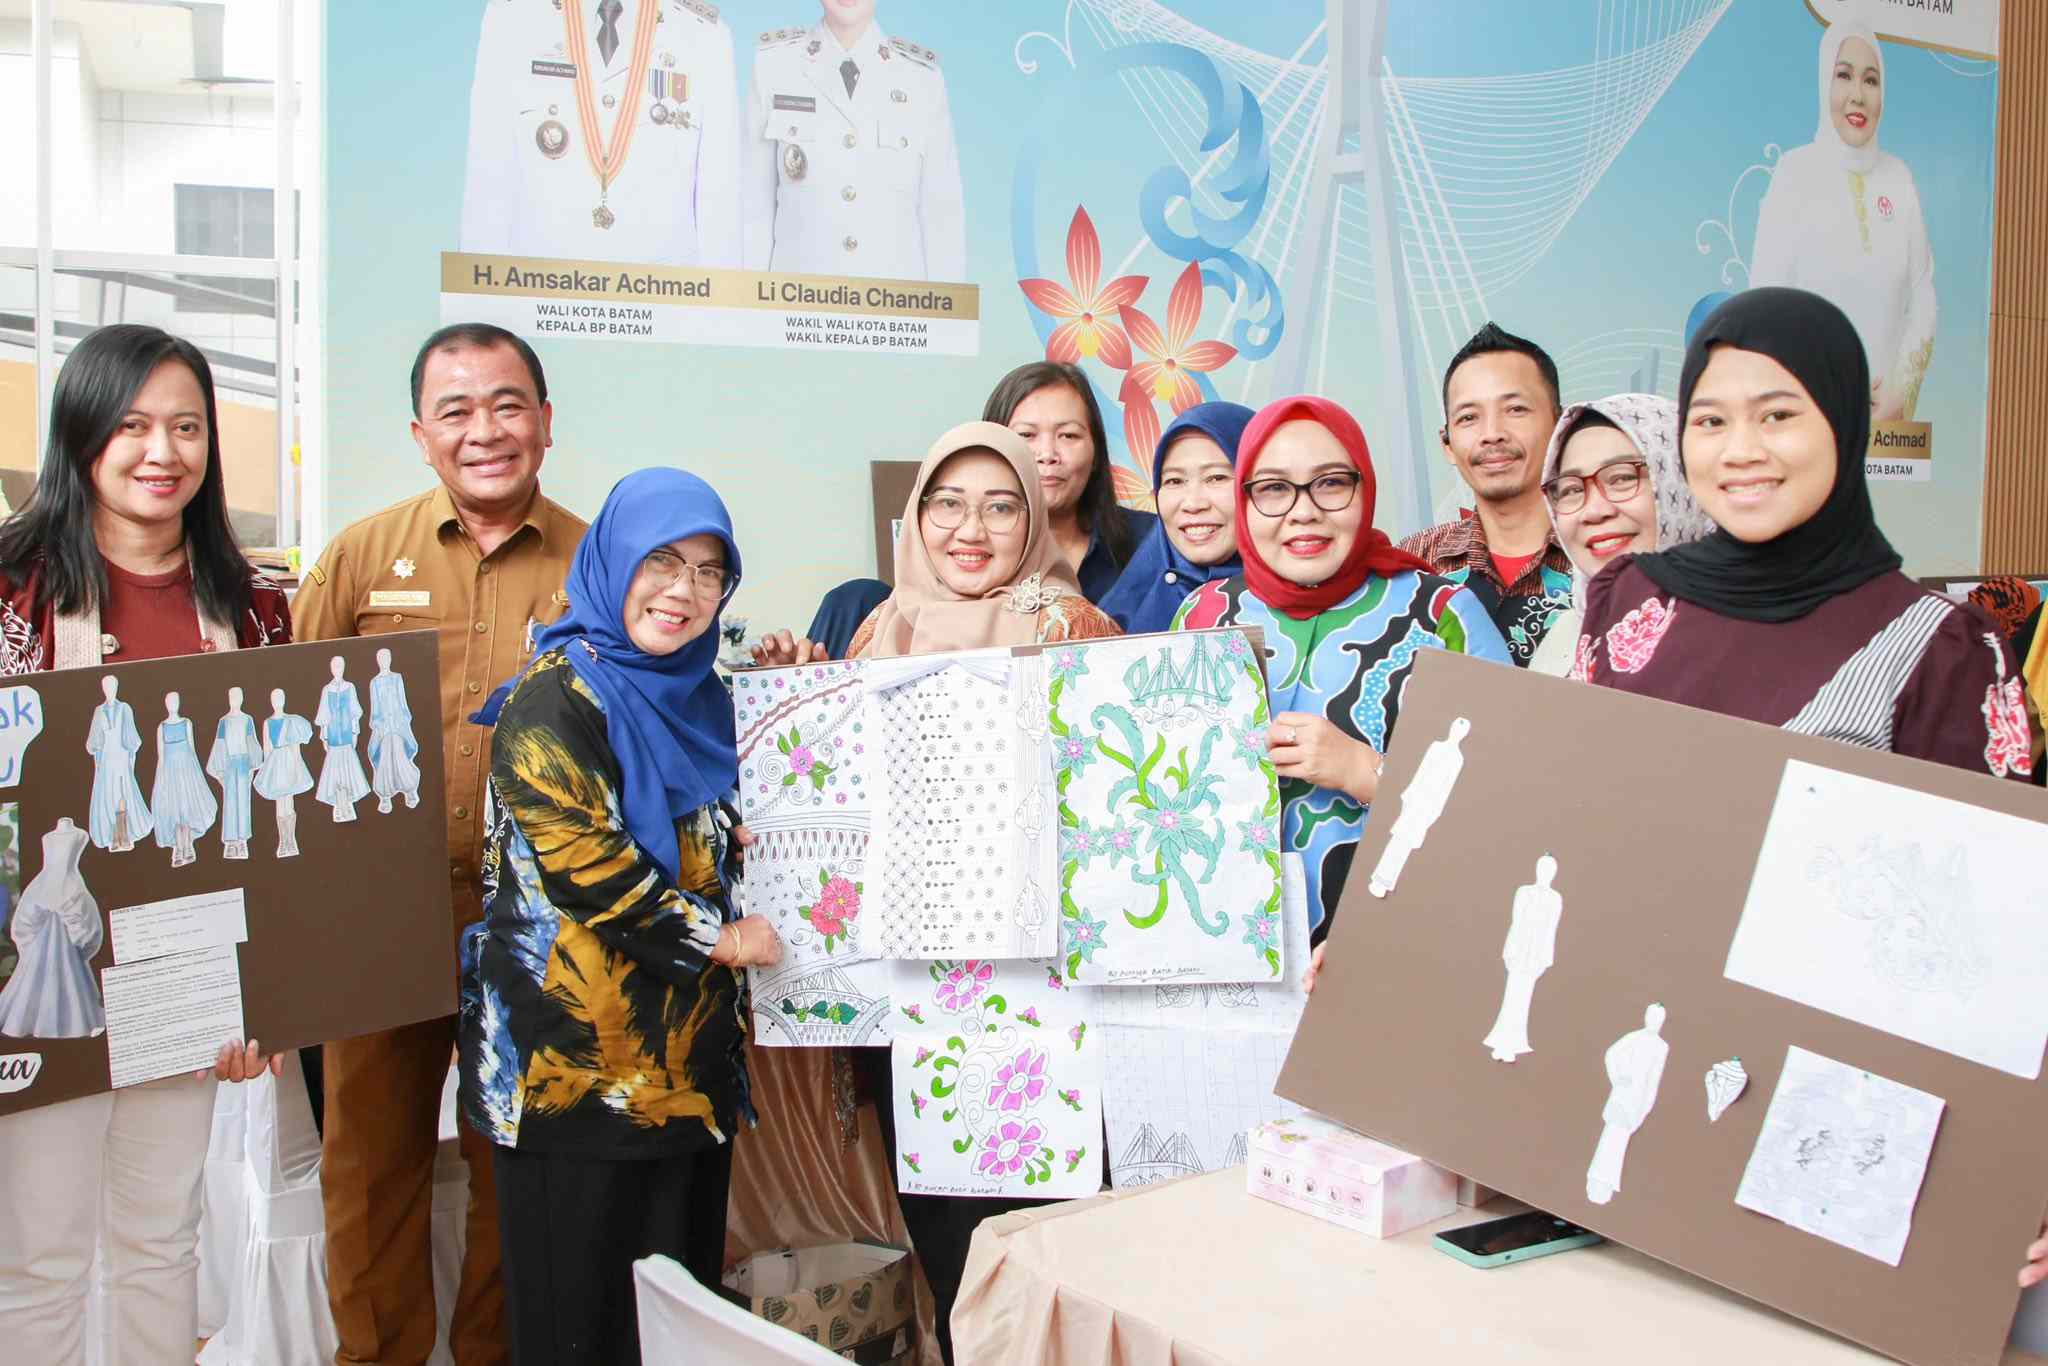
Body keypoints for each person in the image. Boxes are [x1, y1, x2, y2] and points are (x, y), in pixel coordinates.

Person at [294, 322, 587, 1366]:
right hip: (379, 917)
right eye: (455, 410)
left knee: (517, 1160)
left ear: (544, 422)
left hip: (535, 923)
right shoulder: (359, 558)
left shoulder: (599, 562)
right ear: (420, 434)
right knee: (368, 1168)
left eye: (506, 405)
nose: (484, 431)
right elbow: (292, 726)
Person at [0, 322, 288, 1366]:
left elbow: (280, 832)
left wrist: (276, 996)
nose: (162, 451)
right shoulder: (12, 590)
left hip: (188, 971)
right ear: (81, 435)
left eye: (186, 427)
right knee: (37, 1257)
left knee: (162, 1239)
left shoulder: (255, 607)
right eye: (131, 426)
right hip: (45, 978)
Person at [463, 467, 781, 1365]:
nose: (684, 591)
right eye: (662, 562)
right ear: (614, 561)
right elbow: (589, 868)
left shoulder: (700, 698)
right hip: (575, 1084)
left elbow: (711, 833)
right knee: (582, 1334)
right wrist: (722, 936)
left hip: (687, 1076)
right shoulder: (554, 698)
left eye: (710, 572)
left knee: (675, 1336)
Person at [1578, 286, 2028, 774]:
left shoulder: (1941, 648)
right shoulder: (1629, 593)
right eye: (1711, 420)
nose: (1740, 451)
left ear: (1844, 421)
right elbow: (1574, 783)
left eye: (1777, 415)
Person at [1171, 395, 1510, 951]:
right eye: (1273, 489)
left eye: (1330, 483)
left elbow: (1514, 808)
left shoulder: (1442, 616)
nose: (1304, 511)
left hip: (1390, 955)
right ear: (1245, 501)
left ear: (1364, 487)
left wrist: (1364, 770)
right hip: (1219, 955)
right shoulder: (1202, 616)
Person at [459, 0, 742, 267]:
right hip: (538, 286)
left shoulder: (704, 35)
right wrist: (477, 296)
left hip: (664, 291)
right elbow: (488, 182)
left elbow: (719, 201)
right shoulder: (512, 19)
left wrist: (724, 301)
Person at [1750, 15, 1934, 421]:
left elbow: (1923, 295)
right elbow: (1766, 306)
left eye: (1871, 80)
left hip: (1887, 423)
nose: (1858, 96)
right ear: (1824, 83)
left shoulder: (1899, 178)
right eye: (1844, 75)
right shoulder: (1795, 173)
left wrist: (1900, 391)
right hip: (1810, 410)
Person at [743, 0, 964, 280]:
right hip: (796, 299)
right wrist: (746, 303)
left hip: (894, 301)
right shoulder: (774, 66)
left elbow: (941, 218)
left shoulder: (922, 79)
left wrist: (947, 307)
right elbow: (752, 208)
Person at [1399, 323, 1575, 667]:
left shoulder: (1602, 554)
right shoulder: (1413, 563)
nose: (1492, 434)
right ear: (1447, 444)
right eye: (1469, 417)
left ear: (1560, 426)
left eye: (1516, 409)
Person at [1526, 394, 1717, 677]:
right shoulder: (1564, 640)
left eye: (1622, 478)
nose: (1594, 511)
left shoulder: (1742, 633)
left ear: (1681, 483)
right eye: (1571, 490)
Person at [985, 361, 1157, 603]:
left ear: (1096, 452)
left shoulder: (1151, 542)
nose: (1047, 454)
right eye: (1026, 435)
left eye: (1068, 435)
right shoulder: (969, 550)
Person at [1098, 400, 1253, 634]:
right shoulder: (1121, 613)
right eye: (1174, 481)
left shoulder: (1294, 607)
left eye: (1216, 478)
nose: (1193, 504)